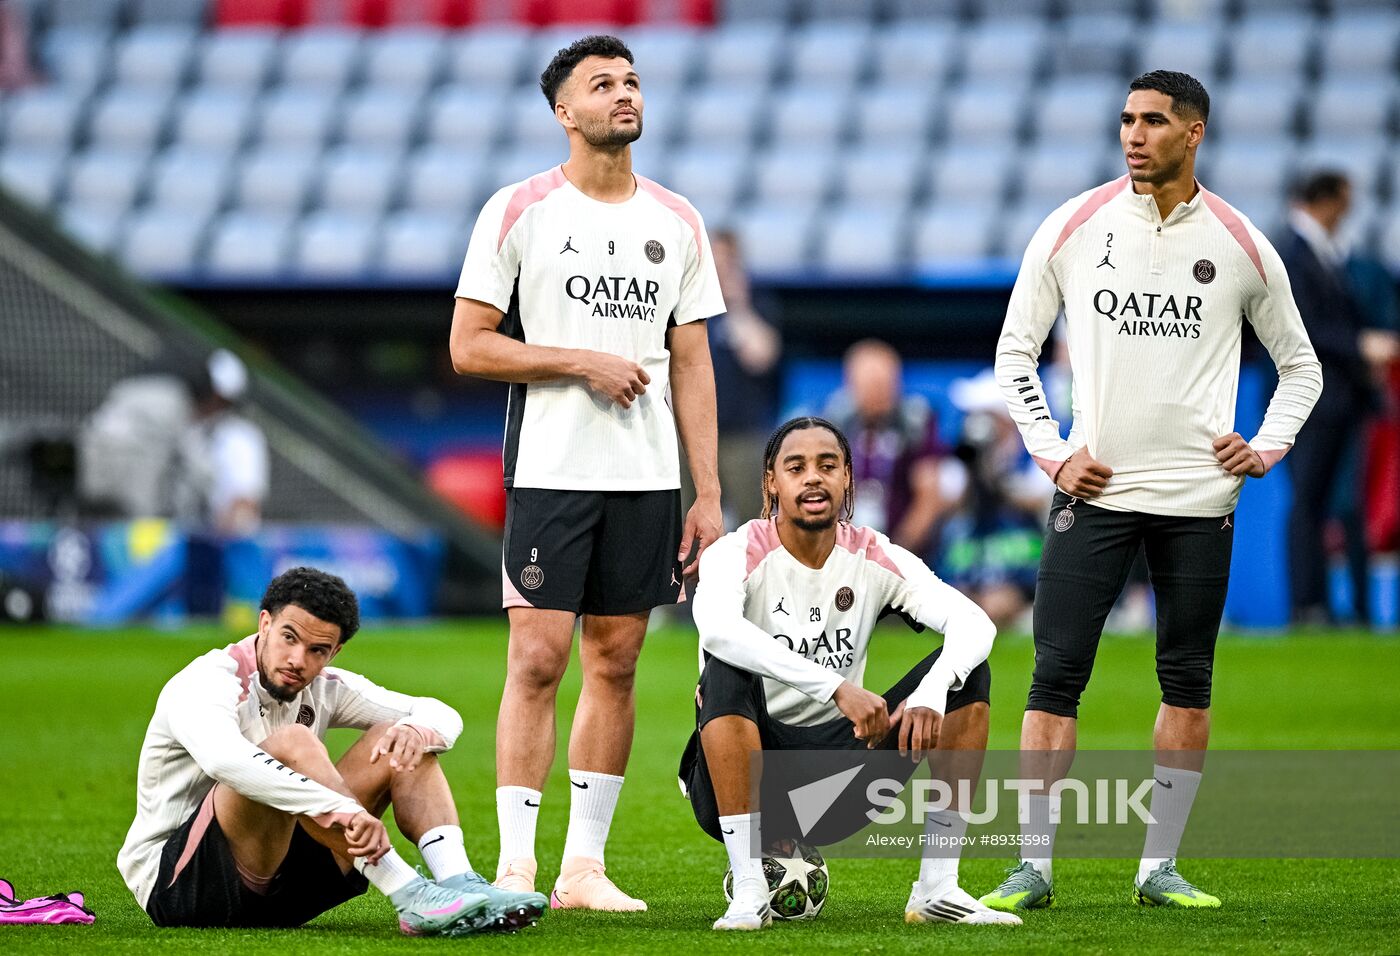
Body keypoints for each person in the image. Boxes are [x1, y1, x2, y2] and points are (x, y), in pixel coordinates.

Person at [985, 71, 1322, 912]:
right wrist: (1053, 452)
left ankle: (1157, 867)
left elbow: (1302, 366)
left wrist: (1270, 443)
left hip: (1201, 500)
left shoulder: (1242, 243)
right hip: (1093, 493)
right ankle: (1034, 866)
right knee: (1053, 678)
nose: (1134, 136)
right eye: (1126, 121)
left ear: (1194, 132)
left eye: (1153, 122)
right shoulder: (1074, 224)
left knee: (1187, 680)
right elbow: (1014, 352)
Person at [449, 34, 724, 911]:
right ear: (564, 112)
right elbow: (469, 347)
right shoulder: (519, 209)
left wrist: (708, 492)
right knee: (536, 659)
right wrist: (583, 361)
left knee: (618, 661)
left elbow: (693, 362)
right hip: (549, 470)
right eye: (602, 84)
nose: (625, 93)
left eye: (633, 81)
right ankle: (517, 868)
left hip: (646, 480)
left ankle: (582, 871)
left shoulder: (676, 220)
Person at [680, 417, 1020, 930]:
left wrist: (930, 692)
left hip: (832, 787)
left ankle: (938, 887)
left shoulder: (872, 554)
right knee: (727, 667)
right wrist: (837, 688)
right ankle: (749, 888)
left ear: (848, 480)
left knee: (965, 673)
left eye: (827, 465)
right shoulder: (737, 551)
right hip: (731, 781)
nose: (812, 478)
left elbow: (975, 622)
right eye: (796, 468)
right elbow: (718, 631)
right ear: (772, 482)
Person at [116, 567, 547, 934]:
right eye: (288, 637)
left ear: (334, 651)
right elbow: (224, 761)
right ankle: (407, 890)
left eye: (317, 650)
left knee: (397, 735)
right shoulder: (208, 681)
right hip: (178, 887)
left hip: (282, 889)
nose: (298, 659)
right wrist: (344, 812)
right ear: (263, 623)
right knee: (292, 743)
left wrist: (417, 731)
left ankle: (459, 885)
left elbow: (440, 713)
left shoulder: (324, 686)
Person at [1277, 170, 1400, 625]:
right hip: (1309, 398)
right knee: (1308, 500)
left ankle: (1319, 605)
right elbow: (1302, 326)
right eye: (1343, 204)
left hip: (1334, 398)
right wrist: (1360, 345)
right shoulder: (1292, 253)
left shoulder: (1319, 253)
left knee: (1321, 501)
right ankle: (1305, 604)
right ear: (1325, 201)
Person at [937, 370, 1055, 631]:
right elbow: (950, 502)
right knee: (958, 607)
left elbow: (1037, 500)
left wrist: (998, 478)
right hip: (971, 557)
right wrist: (974, 469)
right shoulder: (962, 461)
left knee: (997, 606)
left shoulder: (1035, 458)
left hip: (1020, 560)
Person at [825, 339, 951, 555]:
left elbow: (928, 499)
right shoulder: (834, 423)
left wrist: (895, 555)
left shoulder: (915, 423)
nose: (878, 393)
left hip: (902, 552)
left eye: (884, 384)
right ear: (850, 384)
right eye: (870, 385)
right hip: (843, 552)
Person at [708, 229, 783, 528]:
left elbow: (761, 357)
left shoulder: (757, 304)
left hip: (742, 434)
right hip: (695, 435)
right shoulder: (689, 305)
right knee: (687, 519)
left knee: (753, 522)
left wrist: (737, 306)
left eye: (724, 261)